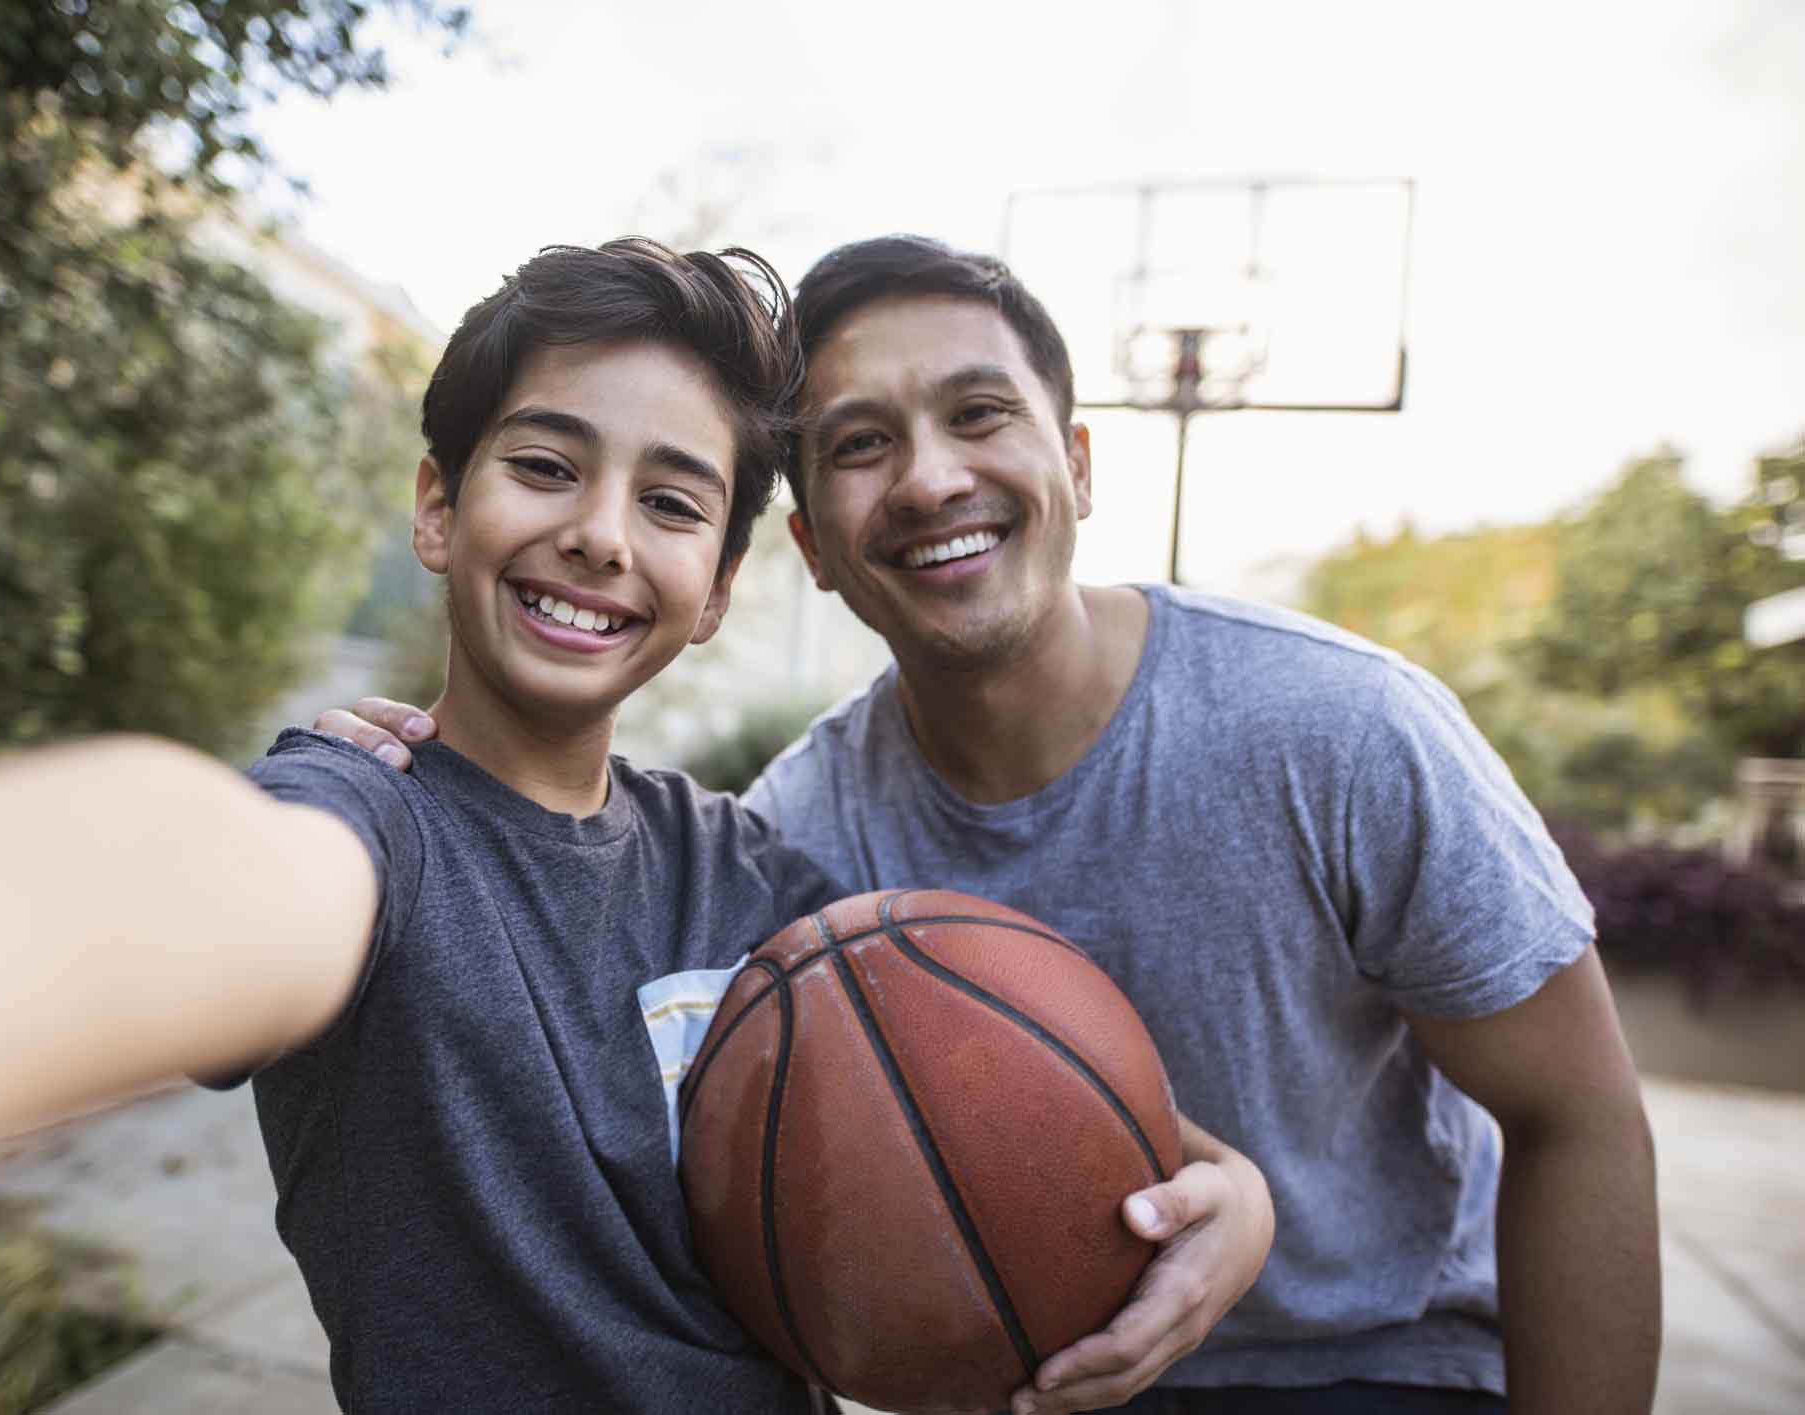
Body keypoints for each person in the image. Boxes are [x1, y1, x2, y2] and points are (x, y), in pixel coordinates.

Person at [0, 237, 1263, 1415]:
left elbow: (994, 1087)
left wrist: (1227, 1196)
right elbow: (211, 881)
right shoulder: (358, 827)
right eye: (545, 465)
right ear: (440, 508)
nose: (594, 531)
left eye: (669, 500)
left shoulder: (748, 871)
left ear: (717, 589)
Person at [322, 235, 1661, 1415]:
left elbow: (1578, 1118)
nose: (928, 479)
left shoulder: (1340, 728)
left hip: (1375, 1362)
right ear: (814, 553)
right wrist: (383, 795)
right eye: (859, 446)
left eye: (979, 415)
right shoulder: (803, 838)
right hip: (1035, 1374)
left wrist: (1248, 1203)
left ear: (1076, 465)